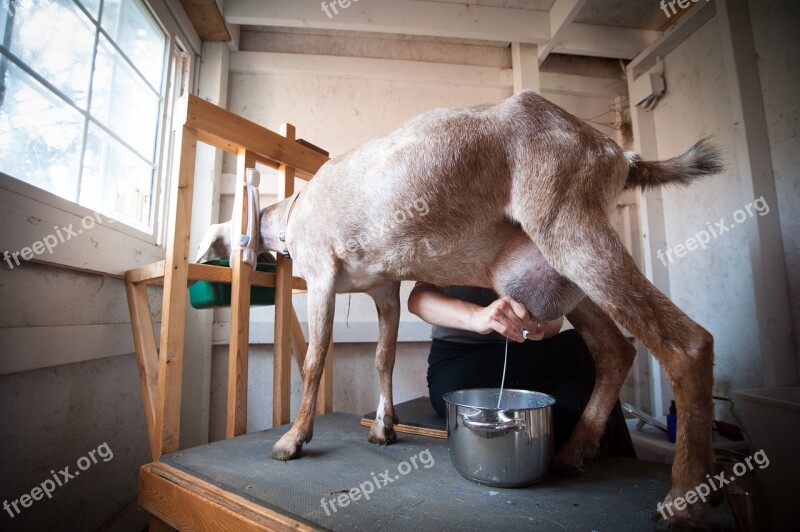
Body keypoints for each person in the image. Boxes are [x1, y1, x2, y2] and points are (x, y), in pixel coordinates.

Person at [408, 282, 635, 458]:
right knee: (581, 346)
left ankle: (611, 487)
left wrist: (538, 326)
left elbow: (554, 322)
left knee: (576, 394)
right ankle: (630, 474)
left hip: (519, 364)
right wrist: (478, 316)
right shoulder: (458, 230)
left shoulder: (528, 236)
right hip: (457, 371)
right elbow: (417, 298)